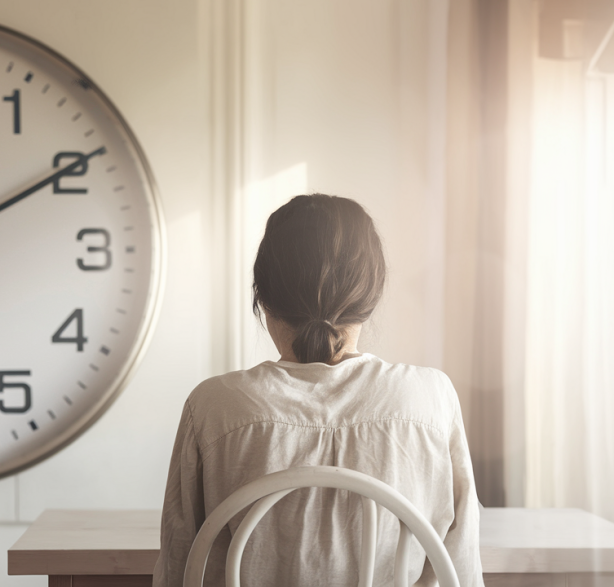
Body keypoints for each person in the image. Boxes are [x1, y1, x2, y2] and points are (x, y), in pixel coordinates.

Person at [153, 194, 483, 587]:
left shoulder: (212, 406)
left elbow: (179, 567)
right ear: (370, 298)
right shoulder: (431, 398)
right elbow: (460, 569)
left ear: (264, 300)